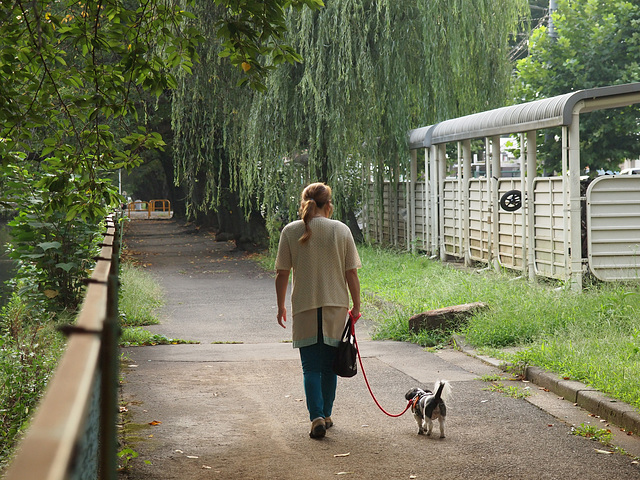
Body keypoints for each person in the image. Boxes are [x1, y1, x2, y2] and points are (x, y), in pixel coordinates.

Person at [275, 182, 362, 439]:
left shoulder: (291, 231)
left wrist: (280, 305)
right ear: (328, 205)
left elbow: (281, 273)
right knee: (329, 367)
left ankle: (316, 418)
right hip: (335, 306)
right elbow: (351, 274)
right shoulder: (341, 230)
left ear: (304, 203)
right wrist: (357, 305)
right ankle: (325, 414)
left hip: (304, 306)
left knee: (310, 367)